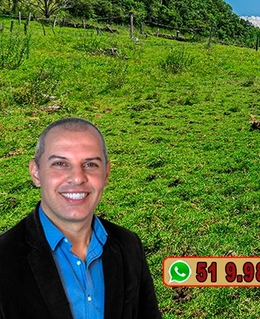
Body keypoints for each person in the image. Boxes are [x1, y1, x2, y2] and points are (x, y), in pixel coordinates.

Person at [0, 117, 162, 319]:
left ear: (106, 173)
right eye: (60, 163)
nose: (77, 178)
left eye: (91, 164)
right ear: (36, 173)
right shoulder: (4, 257)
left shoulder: (129, 245)